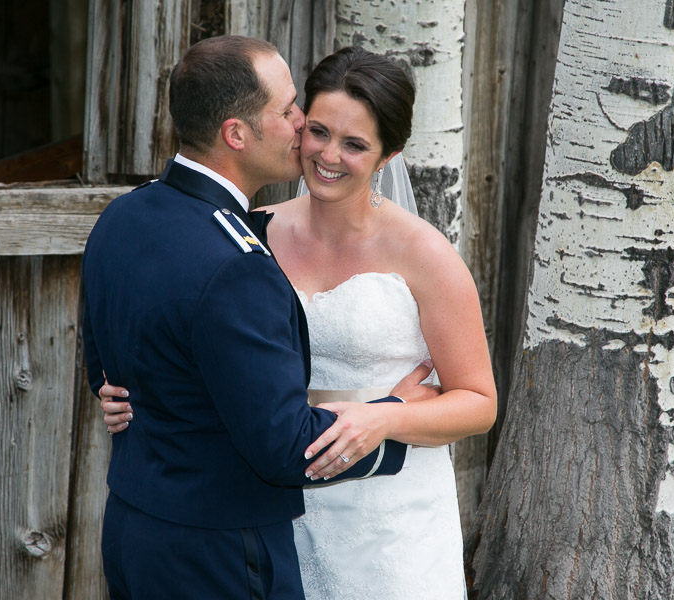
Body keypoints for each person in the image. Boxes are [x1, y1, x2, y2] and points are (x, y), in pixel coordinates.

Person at [101, 45, 497, 599]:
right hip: (278, 508)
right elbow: (195, 341)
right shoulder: (250, 232)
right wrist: (131, 390)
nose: (327, 154)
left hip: (383, 518)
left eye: (355, 144)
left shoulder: (425, 255)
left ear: (388, 157)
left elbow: (479, 401)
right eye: (316, 129)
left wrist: (384, 420)